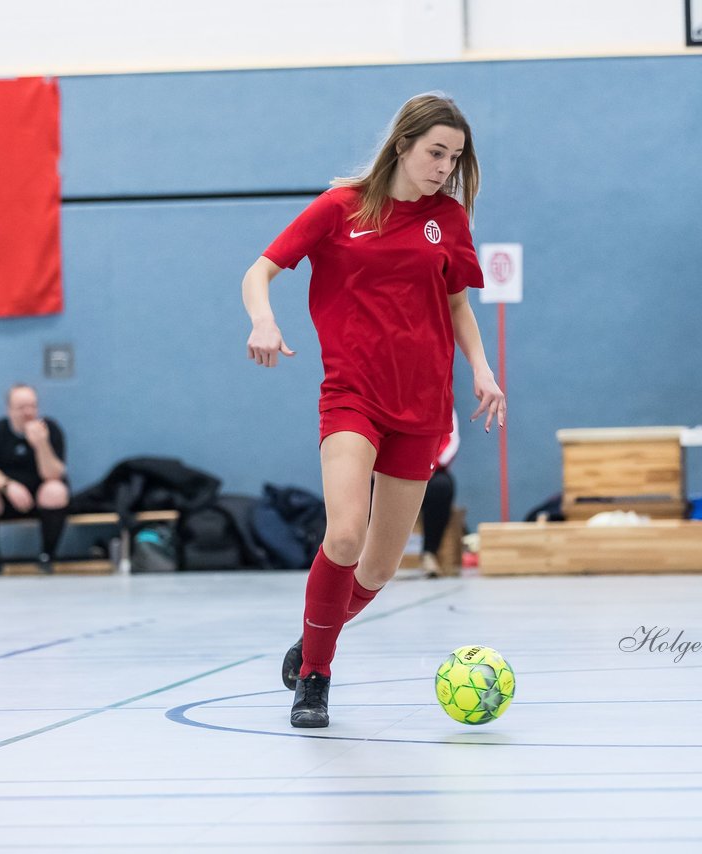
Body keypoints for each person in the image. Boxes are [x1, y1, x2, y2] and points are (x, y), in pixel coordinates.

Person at [241, 93, 504, 728]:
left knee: (382, 565)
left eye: (455, 158)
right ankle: (316, 676)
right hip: (353, 395)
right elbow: (260, 271)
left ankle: (313, 638)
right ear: (403, 145)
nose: (444, 167)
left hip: (423, 404)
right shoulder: (339, 209)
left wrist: (483, 369)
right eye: (435, 152)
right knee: (345, 534)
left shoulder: (448, 220)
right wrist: (264, 322)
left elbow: (458, 305)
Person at [0, 384, 69, 575]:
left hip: (40, 500)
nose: (28, 412)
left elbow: (54, 474)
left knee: (56, 490)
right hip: (7, 499)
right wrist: (8, 486)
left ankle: (47, 557)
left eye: (32, 406)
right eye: (21, 407)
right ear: (9, 409)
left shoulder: (50, 429)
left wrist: (41, 444)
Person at [419, 407, 460, 576]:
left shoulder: (444, 407)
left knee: (442, 487)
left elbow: (451, 443)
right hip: (388, 470)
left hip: (430, 472)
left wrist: (428, 467)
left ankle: (429, 553)